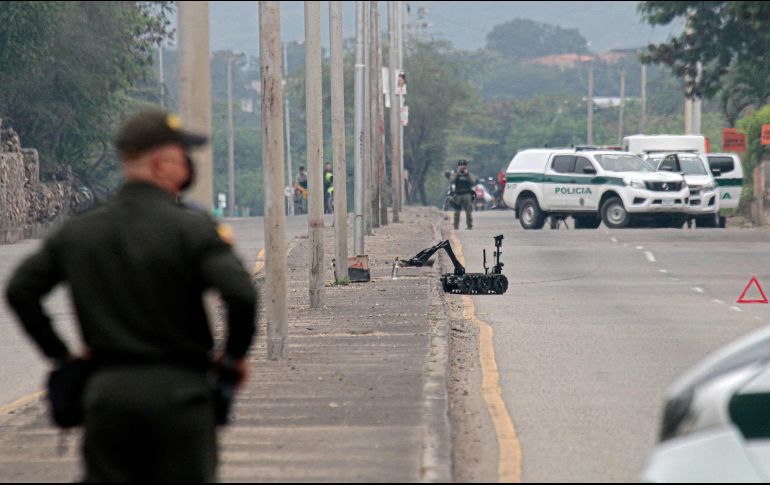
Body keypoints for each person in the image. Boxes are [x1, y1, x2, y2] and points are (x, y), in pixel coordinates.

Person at [4, 109, 257, 483]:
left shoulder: (81, 231)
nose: (188, 164)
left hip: (107, 397)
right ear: (161, 163)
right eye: (182, 155)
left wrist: (62, 357)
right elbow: (242, 296)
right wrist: (232, 359)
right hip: (181, 395)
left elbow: (21, 290)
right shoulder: (193, 229)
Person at [450, 159, 479, 230]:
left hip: (467, 194)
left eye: (464, 165)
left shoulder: (469, 174)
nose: (462, 166)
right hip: (458, 194)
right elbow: (451, 181)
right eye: (461, 165)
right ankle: (455, 226)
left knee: (468, 211)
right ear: (458, 166)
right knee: (457, 211)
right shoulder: (455, 174)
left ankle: (469, 226)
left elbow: (473, 183)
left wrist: (467, 174)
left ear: (466, 166)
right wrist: (457, 173)